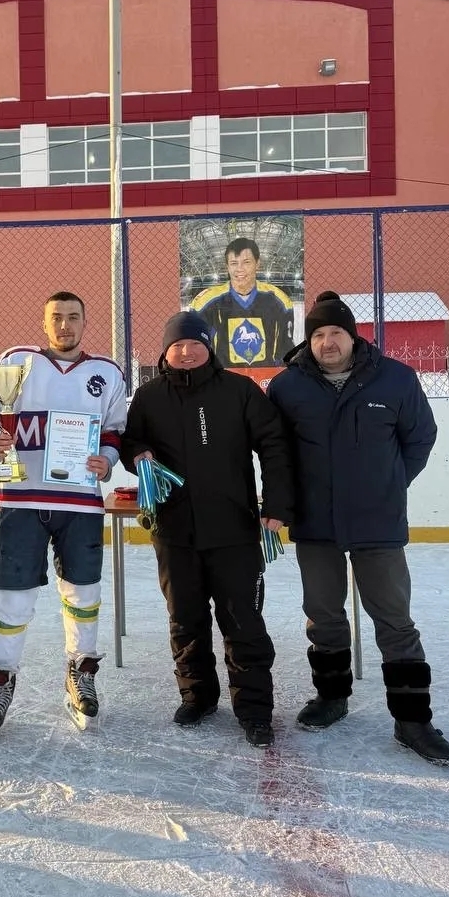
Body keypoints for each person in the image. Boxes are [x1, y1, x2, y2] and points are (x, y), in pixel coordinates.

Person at [267, 291, 449, 765]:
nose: (327, 342)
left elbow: (420, 439)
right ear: (307, 341)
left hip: (377, 521)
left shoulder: (395, 379)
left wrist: (389, 484)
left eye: (336, 332)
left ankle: (413, 719)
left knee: (394, 620)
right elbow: (277, 454)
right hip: (315, 523)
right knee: (324, 615)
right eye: (318, 334)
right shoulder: (288, 388)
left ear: (353, 336)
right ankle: (332, 697)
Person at [120, 311, 294, 748]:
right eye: (178, 344)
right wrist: (138, 454)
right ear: (165, 350)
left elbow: (273, 444)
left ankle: (254, 710)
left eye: (195, 343)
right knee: (185, 618)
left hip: (233, 530)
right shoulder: (149, 395)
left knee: (243, 621)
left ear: (209, 347)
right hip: (174, 531)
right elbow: (129, 442)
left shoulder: (239, 391)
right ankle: (197, 695)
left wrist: (275, 504)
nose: (187, 351)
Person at [0, 291, 127, 732]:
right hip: (21, 499)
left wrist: (107, 460)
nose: (65, 326)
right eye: (57, 318)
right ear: (45, 323)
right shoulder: (17, 361)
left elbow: (116, 429)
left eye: (73, 318)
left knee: (83, 593)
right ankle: (0, 680)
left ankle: (80, 674)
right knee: (13, 595)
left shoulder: (107, 373)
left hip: (79, 502)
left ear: (85, 322)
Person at [190, 237, 294, 368]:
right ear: (227, 266)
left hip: (266, 380)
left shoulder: (279, 301)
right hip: (223, 381)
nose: (240, 269)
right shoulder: (205, 303)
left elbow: (286, 349)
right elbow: (198, 350)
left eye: (246, 262)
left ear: (257, 263)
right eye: (234, 263)